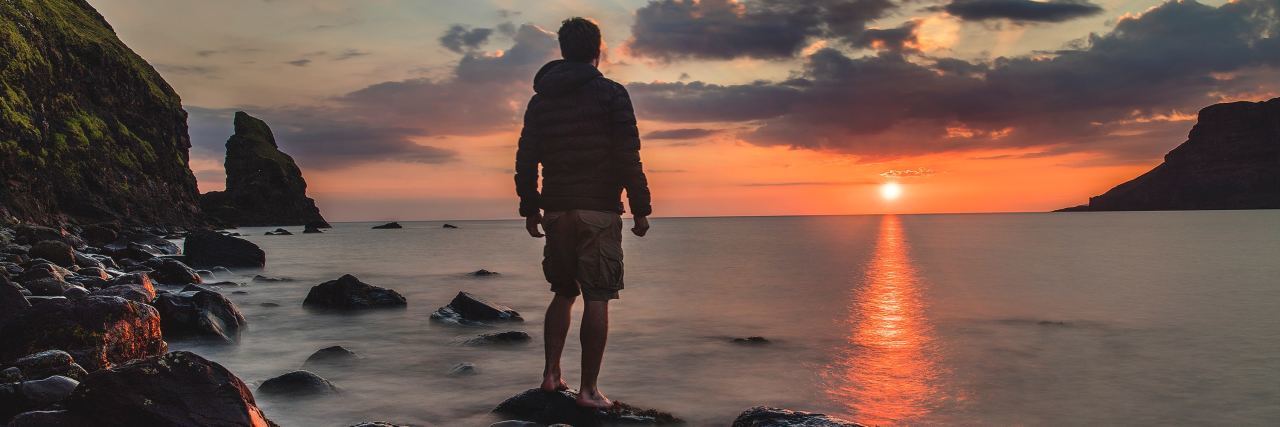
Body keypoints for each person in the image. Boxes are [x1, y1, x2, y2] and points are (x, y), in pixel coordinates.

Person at [514, 17, 652, 409]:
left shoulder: (541, 100)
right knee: (597, 296)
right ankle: (589, 391)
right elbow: (628, 154)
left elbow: (527, 158)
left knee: (562, 292)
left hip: (556, 211)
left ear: (562, 50)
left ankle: (551, 375)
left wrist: (530, 206)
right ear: (598, 50)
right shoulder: (611, 94)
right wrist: (640, 209)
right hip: (598, 210)